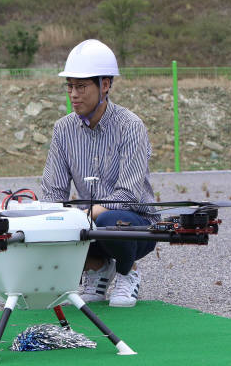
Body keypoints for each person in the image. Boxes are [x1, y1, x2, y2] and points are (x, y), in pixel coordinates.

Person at [41, 39, 160, 307]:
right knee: (46, 225)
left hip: (134, 223)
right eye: (69, 86)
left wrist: (81, 215)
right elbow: (53, 192)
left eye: (81, 86)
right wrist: (50, 217)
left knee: (110, 221)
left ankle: (127, 274)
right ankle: (96, 269)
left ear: (105, 85)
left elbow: (127, 195)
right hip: (87, 222)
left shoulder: (130, 126)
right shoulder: (63, 129)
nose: (73, 94)